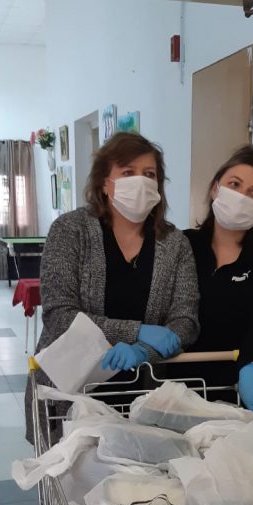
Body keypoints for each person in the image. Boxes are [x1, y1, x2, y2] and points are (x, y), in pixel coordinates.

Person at [25, 131, 199, 440]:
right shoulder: (71, 231)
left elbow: (185, 322)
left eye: (149, 174)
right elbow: (60, 316)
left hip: (143, 397)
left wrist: (142, 350)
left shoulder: (175, 243)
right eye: (128, 172)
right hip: (69, 395)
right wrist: (136, 331)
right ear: (105, 183)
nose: (141, 181)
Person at [184, 144, 253, 418]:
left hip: (248, 385)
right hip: (185, 385)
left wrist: (252, 364)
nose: (241, 197)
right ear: (215, 188)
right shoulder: (184, 245)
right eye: (234, 184)